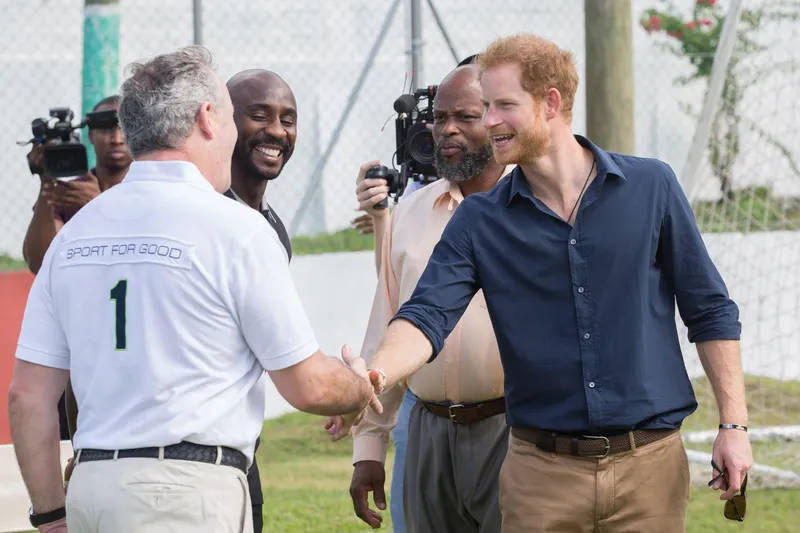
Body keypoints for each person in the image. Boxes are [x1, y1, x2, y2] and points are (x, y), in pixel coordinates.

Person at [361, 34, 753, 533]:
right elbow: (424, 316)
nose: (489, 121)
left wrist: (733, 426)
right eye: (486, 106)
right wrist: (376, 375)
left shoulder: (652, 187)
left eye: (504, 105)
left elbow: (710, 310)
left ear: (551, 103)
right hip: (538, 474)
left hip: (650, 470)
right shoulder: (480, 220)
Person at [8, 45, 379, 533]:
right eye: (230, 116)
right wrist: (358, 384)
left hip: (92, 486)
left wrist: (53, 514)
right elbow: (310, 385)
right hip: (187, 491)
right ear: (208, 117)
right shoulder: (238, 230)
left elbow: (28, 397)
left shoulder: (75, 232)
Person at [328, 60, 514, 533]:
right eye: (440, 117)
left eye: (465, 117)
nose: (445, 130)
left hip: (513, 432)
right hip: (427, 431)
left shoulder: (538, 210)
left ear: (498, 119)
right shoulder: (408, 214)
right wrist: (368, 447)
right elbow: (387, 327)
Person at [21, 95, 133, 444]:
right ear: (89, 135)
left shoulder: (147, 189)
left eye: (122, 126)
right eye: (103, 128)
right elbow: (39, 260)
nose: (114, 137)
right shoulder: (70, 187)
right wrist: (46, 184)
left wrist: (98, 206)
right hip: (80, 342)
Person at [224, 68, 299, 533]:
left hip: (242, 453)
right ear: (222, 123)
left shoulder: (272, 228)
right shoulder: (204, 217)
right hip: (188, 463)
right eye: (259, 115)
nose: (276, 131)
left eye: (288, 119)